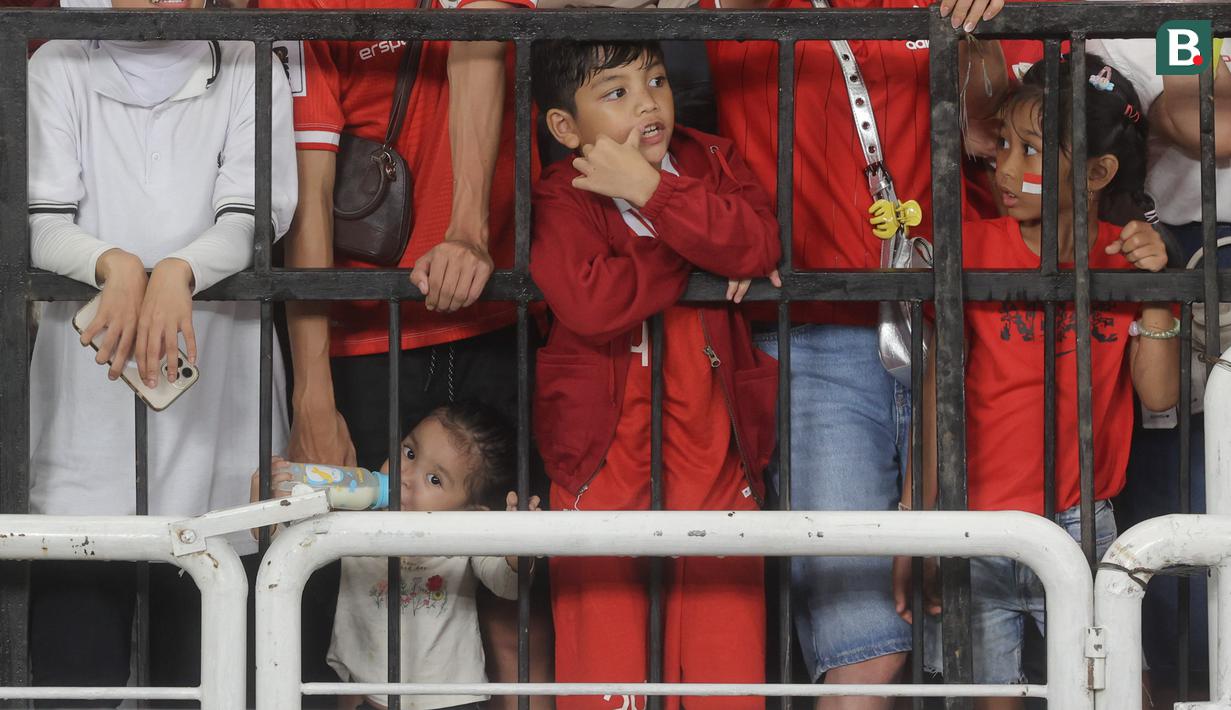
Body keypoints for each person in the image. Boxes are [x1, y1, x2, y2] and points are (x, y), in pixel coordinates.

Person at [698, 0, 1007, 705]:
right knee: (865, 650)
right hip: (813, 336)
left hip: (955, 327)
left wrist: (982, 33)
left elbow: (994, 133)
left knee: (987, 636)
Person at [258, 0, 550, 700]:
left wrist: (469, 233)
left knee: (517, 592)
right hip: (362, 333)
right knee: (348, 584)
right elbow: (310, 187)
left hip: (497, 307)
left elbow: (479, 39)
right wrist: (311, 393)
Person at [25, 0, 297, 702]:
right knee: (74, 680)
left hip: (220, 395)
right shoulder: (58, 61)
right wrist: (115, 266)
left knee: (208, 679)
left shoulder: (246, 62)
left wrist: (177, 272)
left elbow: (254, 215)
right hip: (89, 411)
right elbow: (41, 221)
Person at [893, 55, 1180, 710]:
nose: (1004, 166)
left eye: (1028, 149)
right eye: (1001, 145)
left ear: (1095, 173)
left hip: (1086, 526)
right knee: (990, 699)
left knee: (1111, 693)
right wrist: (921, 525)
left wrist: (1157, 292)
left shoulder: (1123, 256)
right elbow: (942, 395)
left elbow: (1160, 397)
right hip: (976, 522)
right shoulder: (968, 249)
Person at [530, 39, 781, 710]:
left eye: (657, 81)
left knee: (722, 684)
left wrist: (651, 191)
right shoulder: (560, 193)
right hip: (600, 470)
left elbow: (759, 241)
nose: (647, 102)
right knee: (606, 685)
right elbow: (590, 302)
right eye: (615, 92)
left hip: (716, 466)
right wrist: (696, 250)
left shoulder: (712, 160)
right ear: (564, 127)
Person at [1089, 26, 1231, 702]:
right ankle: (1183, 686)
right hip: (1174, 257)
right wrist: (1205, 43)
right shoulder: (1176, 26)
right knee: (1174, 507)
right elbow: (1201, 122)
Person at [253, 402, 539, 710]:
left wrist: (516, 544)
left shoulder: (458, 532)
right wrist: (266, 514)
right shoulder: (356, 514)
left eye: (434, 479)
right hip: (369, 695)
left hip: (451, 700)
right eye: (410, 452)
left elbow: (506, 583)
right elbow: (294, 557)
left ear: (470, 510)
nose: (405, 475)